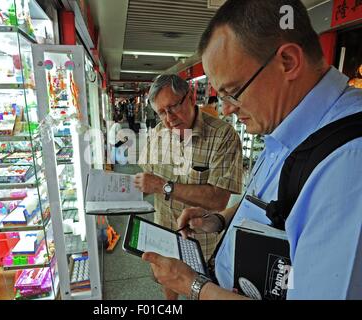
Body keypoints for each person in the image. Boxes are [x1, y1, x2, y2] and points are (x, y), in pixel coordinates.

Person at [141, 0, 362, 300]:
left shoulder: (349, 163)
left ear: (288, 62)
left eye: (233, 91)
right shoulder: (284, 126)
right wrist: (220, 219)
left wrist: (195, 287)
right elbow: (267, 204)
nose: (227, 109)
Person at [134, 74, 243, 299]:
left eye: (173, 107)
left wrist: (164, 186)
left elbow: (219, 199)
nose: (169, 118)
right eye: (161, 112)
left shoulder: (223, 136)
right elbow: (146, 179)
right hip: (163, 230)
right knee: (168, 282)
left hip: (201, 240)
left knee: (203, 290)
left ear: (191, 97)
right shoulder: (158, 134)